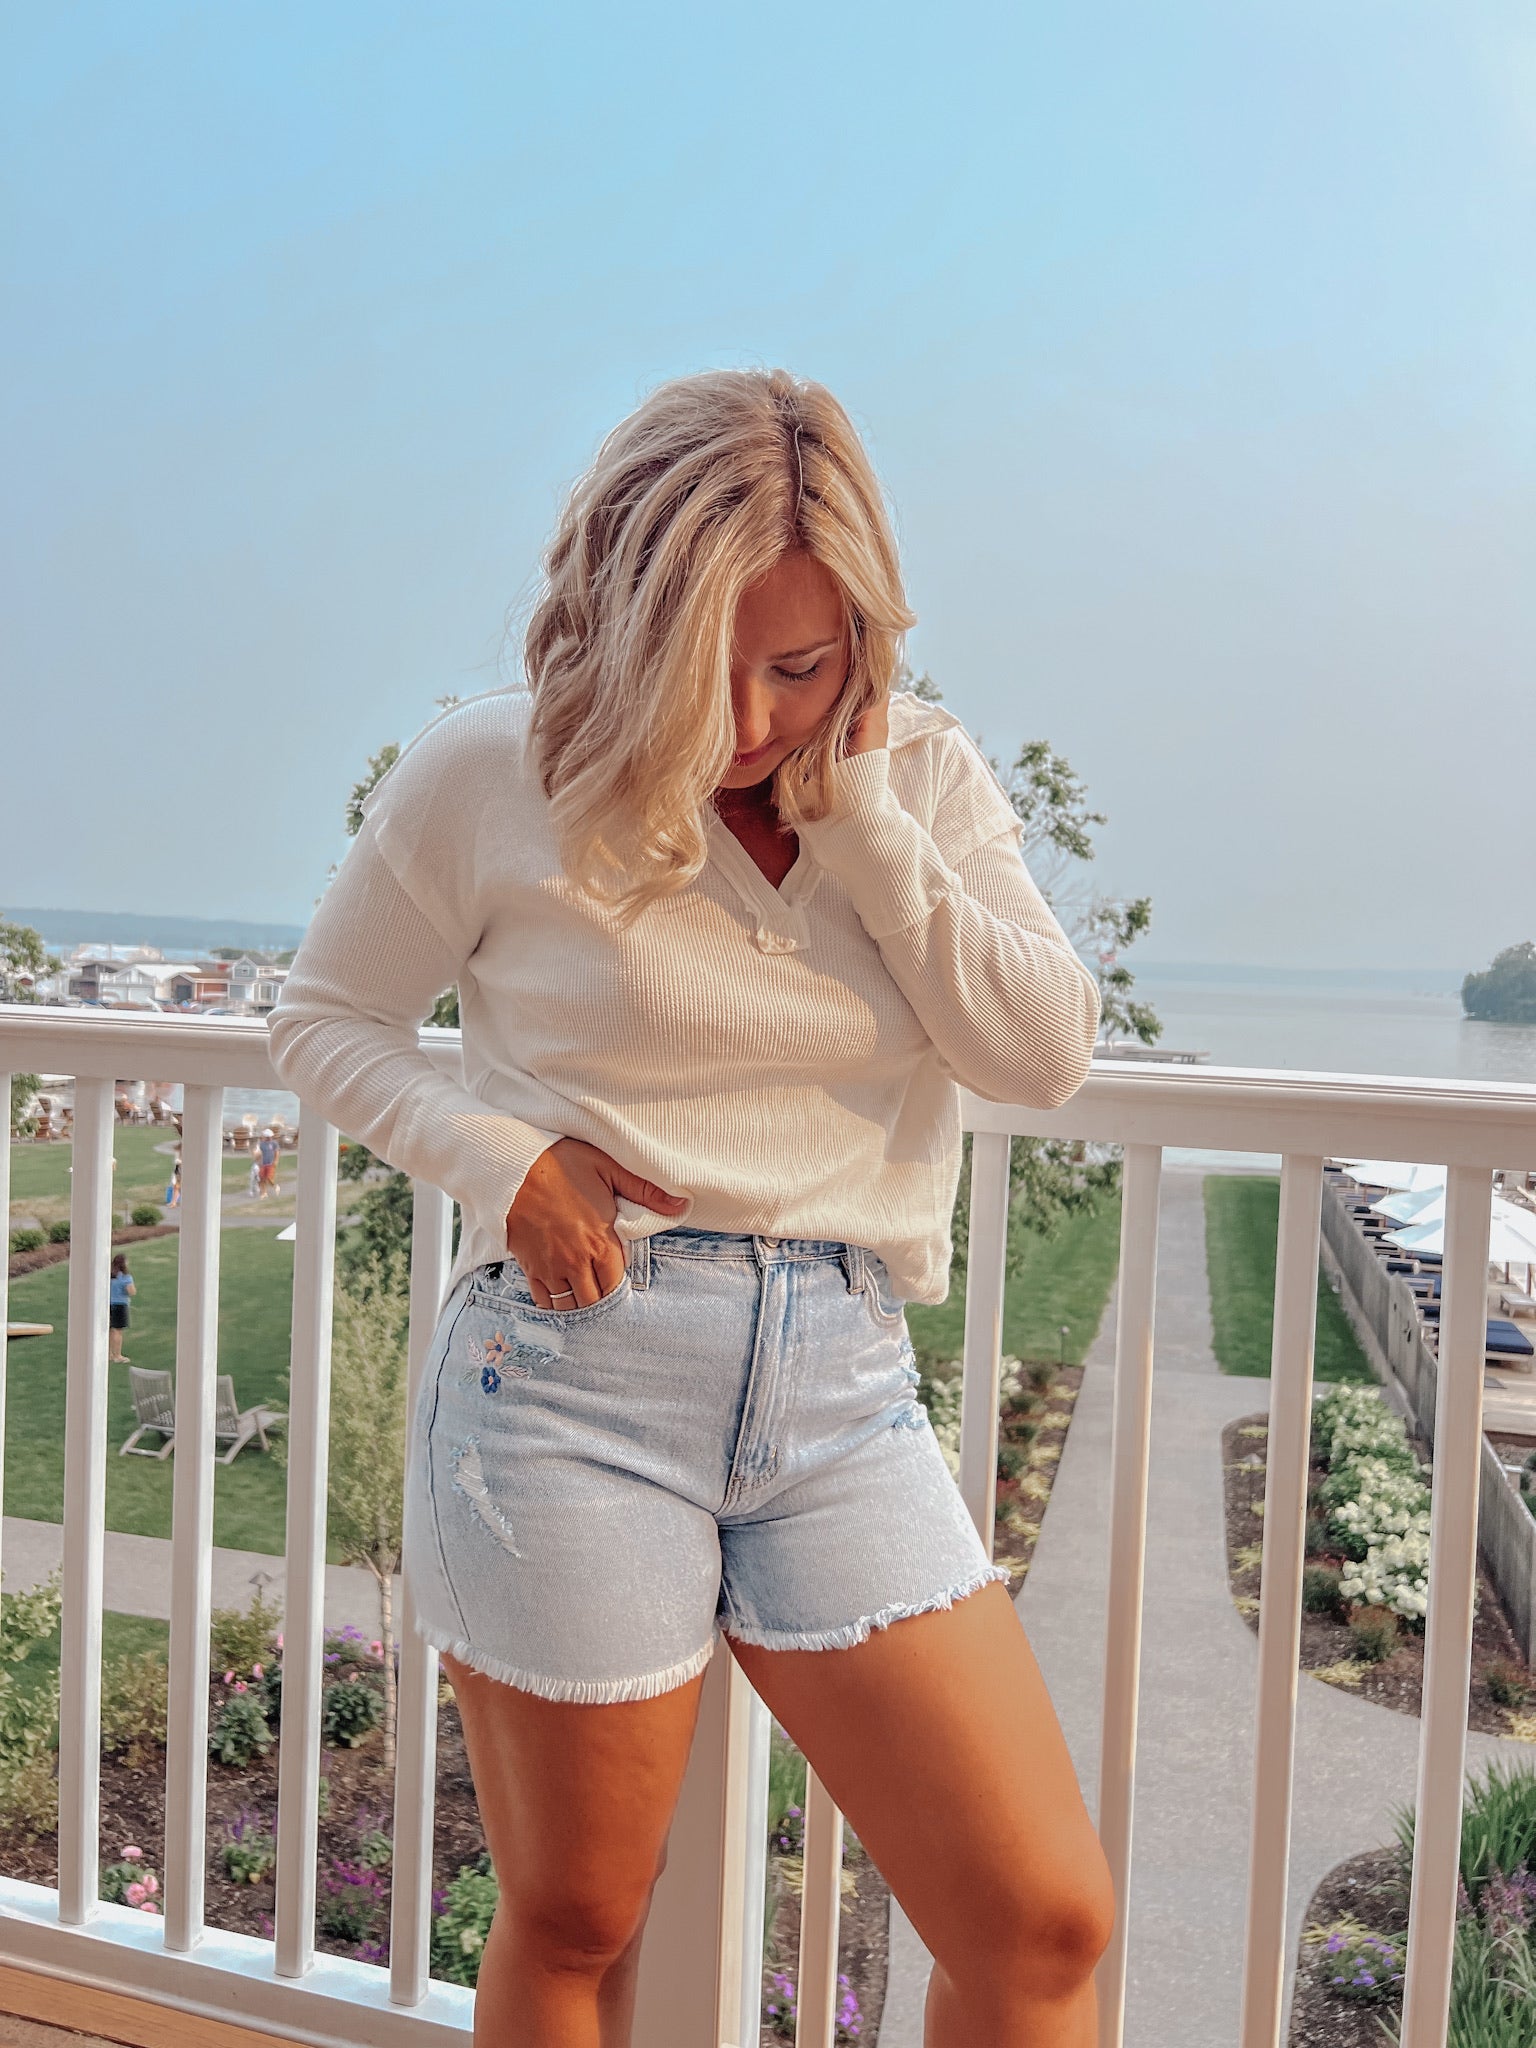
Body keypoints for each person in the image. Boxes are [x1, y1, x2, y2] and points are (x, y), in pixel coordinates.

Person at [270, 368, 1110, 2048]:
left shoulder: (923, 776)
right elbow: (324, 1021)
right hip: (566, 1377)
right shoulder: (491, 768)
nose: (745, 717)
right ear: (619, 612)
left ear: (862, 636)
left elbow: (1039, 1053)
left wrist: (869, 832)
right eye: (700, 660)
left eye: (799, 666)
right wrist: (504, 1162)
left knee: (1041, 1921)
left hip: (842, 1388)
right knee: (581, 1915)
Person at [107, 1253, 135, 1364]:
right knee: (118, 1331)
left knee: (110, 1330)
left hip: (108, 1304)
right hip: (120, 1305)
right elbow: (131, 1291)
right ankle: (117, 1355)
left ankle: (109, 1353)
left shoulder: (109, 1276)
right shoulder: (126, 1277)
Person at [257, 1128, 280, 1197]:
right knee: (262, 1178)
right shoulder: (261, 1144)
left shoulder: (274, 1143)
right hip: (262, 1164)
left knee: (269, 1178)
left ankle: (275, 1186)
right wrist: (258, 1162)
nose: (269, 1138)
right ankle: (264, 1192)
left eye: (270, 1137)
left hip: (270, 1164)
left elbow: (277, 1152)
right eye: (267, 1137)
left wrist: (276, 1161)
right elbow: (258, 1154)